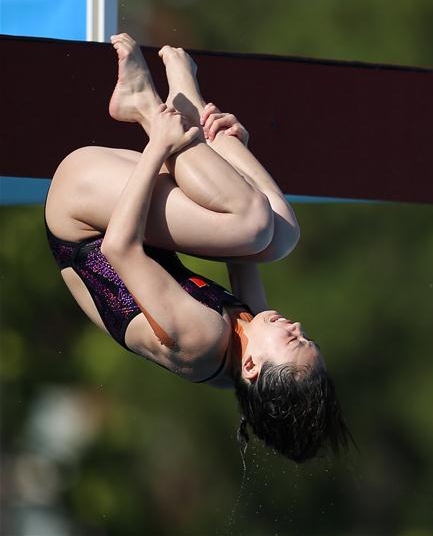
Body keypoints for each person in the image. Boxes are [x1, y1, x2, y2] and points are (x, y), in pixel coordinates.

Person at [44, 34, 350, 463]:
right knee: (278, 235)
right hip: (116, 202)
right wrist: (235, 154)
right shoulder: (248, 336)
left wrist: (159, 146)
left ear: (252, 368)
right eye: (305, 336)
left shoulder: (202, 342)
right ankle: (197, 114)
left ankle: (148, 106)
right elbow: (243, 254)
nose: (296, 326)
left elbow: (118, 248)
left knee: (254, 224)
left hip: (81, 211)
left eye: (293, 341)